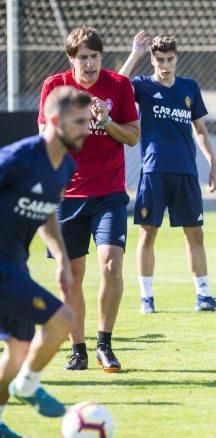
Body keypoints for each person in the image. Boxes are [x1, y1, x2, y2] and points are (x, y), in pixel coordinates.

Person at [37, 26, 140, 372]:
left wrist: (107, 121)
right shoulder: (54, 86)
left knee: (111, 263)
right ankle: (77, 349)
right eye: (83, 58)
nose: (90, 64)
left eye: (95, 57)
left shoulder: (119, 86)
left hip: (109, 193)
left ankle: (104, 345)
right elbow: (44, 138)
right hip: (66, 196)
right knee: (71, 275)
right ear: (71, 59)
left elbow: (133, 137)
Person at [0, 87, 91, 437]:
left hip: (15, 263)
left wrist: (62, 261)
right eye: (79, 122)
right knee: (63, 320)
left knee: (19, 349)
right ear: (54, 120)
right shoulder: (21, 157)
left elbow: (47, 211)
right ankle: (27, 386)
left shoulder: (65, 166)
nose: (86, 128)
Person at [118, 32, 216, 313]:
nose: (165, 65)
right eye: (159, 60)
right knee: (147, 235)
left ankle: (203, 296)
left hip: (186, 172)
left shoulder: (189, 88)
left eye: (169, 59)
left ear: (176, 59)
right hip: (154, 171)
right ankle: (147, 298)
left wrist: (213, 163)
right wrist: (135, 55)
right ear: (153, 61)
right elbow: (115, 86)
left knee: (196, 234)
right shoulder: (142, 86)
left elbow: (200, 130)